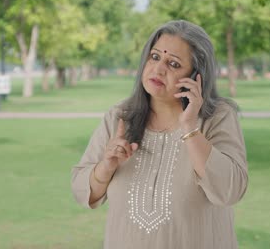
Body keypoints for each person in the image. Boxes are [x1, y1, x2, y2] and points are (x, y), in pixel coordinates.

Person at [71, 20, 248, 249]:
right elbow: (82, 192)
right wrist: (106, 167)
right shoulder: (119, 117)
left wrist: (190, 129)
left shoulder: (218, 118)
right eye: (155, 57)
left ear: (196, 77)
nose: (159, 69)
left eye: (173, 64)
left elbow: (229, 192)